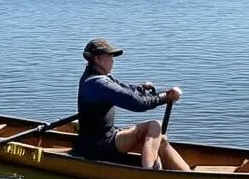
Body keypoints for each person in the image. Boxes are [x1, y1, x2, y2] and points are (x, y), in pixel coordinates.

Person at [75, 38, 192, 170]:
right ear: (96, 59)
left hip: (99, 139)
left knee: (160, 140)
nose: (113, 60)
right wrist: (165, 97)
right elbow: (137, 103)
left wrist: (141, 88)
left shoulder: (93, 78)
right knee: (155, 126)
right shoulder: (99, 85)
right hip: (99, 146)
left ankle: (191, 177)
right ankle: (150, 174)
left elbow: (123, 89)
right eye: (109, 55)